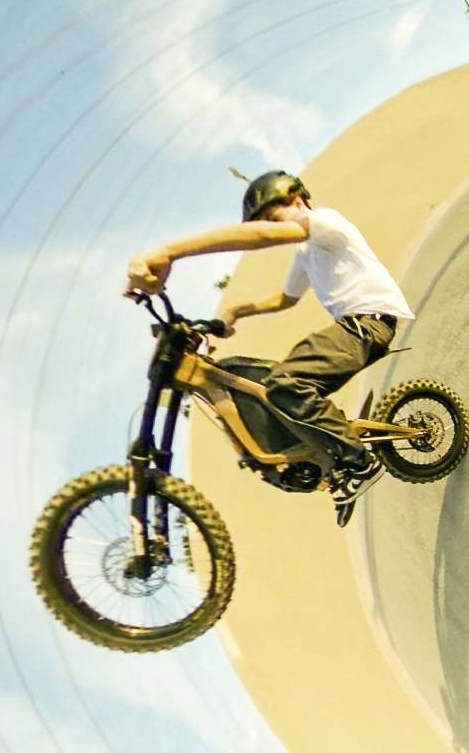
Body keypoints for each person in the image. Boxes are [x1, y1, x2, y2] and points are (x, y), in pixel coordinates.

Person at [123, 170, 414, 527]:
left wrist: (168, 251)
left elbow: (258, 237)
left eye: (273, 219)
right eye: (269, 224)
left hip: (368, 323)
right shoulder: (308, 251)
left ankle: (358, 462)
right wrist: (234, 312)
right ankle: (322, 453)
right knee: (267, 383)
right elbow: (285, 298)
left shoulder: (325, 222)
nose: (272, 230)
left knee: (286, 383)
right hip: (357, 324)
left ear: (296, 199)